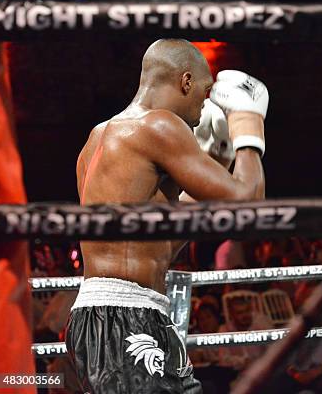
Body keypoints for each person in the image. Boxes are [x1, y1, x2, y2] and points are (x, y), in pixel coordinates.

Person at [66, 38, 268, 394]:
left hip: (120, 313)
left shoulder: (96, 140)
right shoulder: (159, 125)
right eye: (205, 93)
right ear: (185, 82)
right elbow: (248, 201)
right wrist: (248, 126)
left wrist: (217, 162)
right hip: (123, 317)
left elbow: (157, 247)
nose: (206, 105)